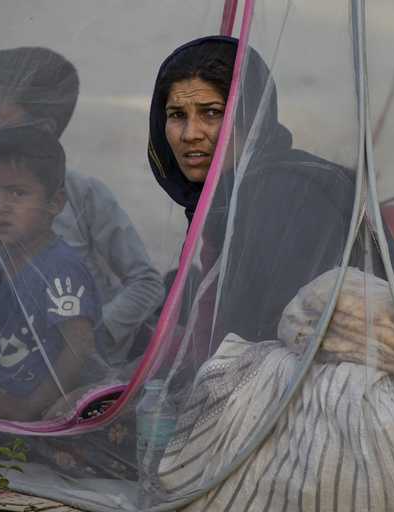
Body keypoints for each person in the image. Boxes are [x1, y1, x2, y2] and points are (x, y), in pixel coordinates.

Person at [0, 47, 164, 411]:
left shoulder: (85, 194)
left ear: (41, 130)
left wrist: (93, 336)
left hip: (81, 363)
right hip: (15, 363)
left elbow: (146, 281)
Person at [148, 36, 359, 359]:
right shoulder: (223, 197)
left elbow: (283, 341)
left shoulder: (286, 197)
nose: (191, 134)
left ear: (251, 118)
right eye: (177, 115)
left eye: (212, 113)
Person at [0, 127, 101, 421]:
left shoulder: (60, 269)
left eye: (17, 193)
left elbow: (78, 348)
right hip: (9, 395)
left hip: (57, 406)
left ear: (54, 204)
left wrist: (29, 408)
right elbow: (2, 336)